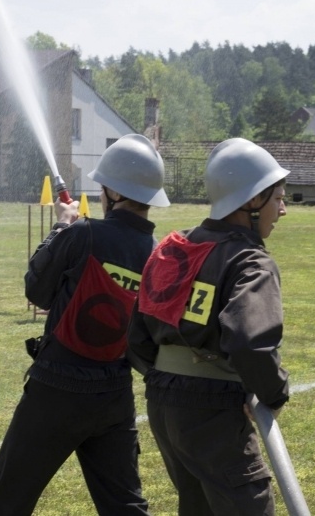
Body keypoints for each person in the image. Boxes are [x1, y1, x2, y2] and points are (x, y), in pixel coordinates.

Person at [0, 134, 170, 516]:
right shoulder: (158, 254)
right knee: (126, 507)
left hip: (56, 390)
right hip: (115, 394)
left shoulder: (81, 234)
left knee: (7, 500)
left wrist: (61, 229)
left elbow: (37, 291)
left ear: (111, 192)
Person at [127, 138, 291, 516]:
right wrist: (274, 393)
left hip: (163, 402)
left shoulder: (174, 247)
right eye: (277, 198)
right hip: (212, 407)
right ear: (251, 202)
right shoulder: (251, 261)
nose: (283, 210)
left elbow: (137, 335)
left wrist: (170, 378)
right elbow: (250, 342)